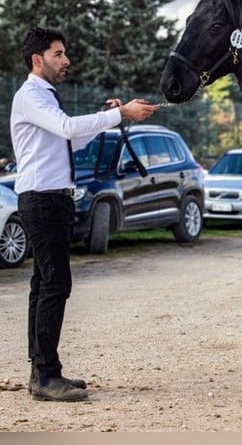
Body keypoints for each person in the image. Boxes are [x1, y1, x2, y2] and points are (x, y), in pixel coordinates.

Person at [10, 26, 159, 402]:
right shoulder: (31, 95)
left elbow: (70, 139)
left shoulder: (44, 97)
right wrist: (120, 113)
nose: (66, 60)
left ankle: (43, 371)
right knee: (55, 285)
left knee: (43, 285)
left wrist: (111, 117)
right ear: (37, 60)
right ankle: (45, 377)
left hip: (48, 198)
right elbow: (65, 127)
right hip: (43, 199)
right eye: (59, 54)